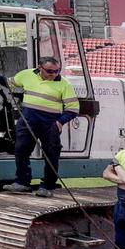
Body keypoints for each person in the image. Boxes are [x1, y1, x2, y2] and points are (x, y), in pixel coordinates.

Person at [6, 54, 81, 196]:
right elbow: (8, 83)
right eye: (50, 71)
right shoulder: (26, 75)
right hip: (28, 121)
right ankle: (22, 182)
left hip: (50, 124)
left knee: (51, 154)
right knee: (21, 150)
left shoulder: (64, 84)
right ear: (40, 68)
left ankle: (48, 186)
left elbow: (73, 109)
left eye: (57, 71)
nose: (54, 74)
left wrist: (60, 122)